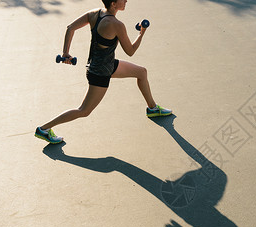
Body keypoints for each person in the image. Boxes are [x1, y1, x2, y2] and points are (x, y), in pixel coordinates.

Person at [35, 0, 172, 144]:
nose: (126, 0)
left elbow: (70, 28)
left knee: (141, 72)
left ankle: (152, 108)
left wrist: (65, 53)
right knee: (84, 111)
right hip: (100, 73)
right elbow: (130, 51)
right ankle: (43, 129)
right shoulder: (117, 25)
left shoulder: (95, 13)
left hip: (105, 65)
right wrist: (141, 33)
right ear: (113, 3)